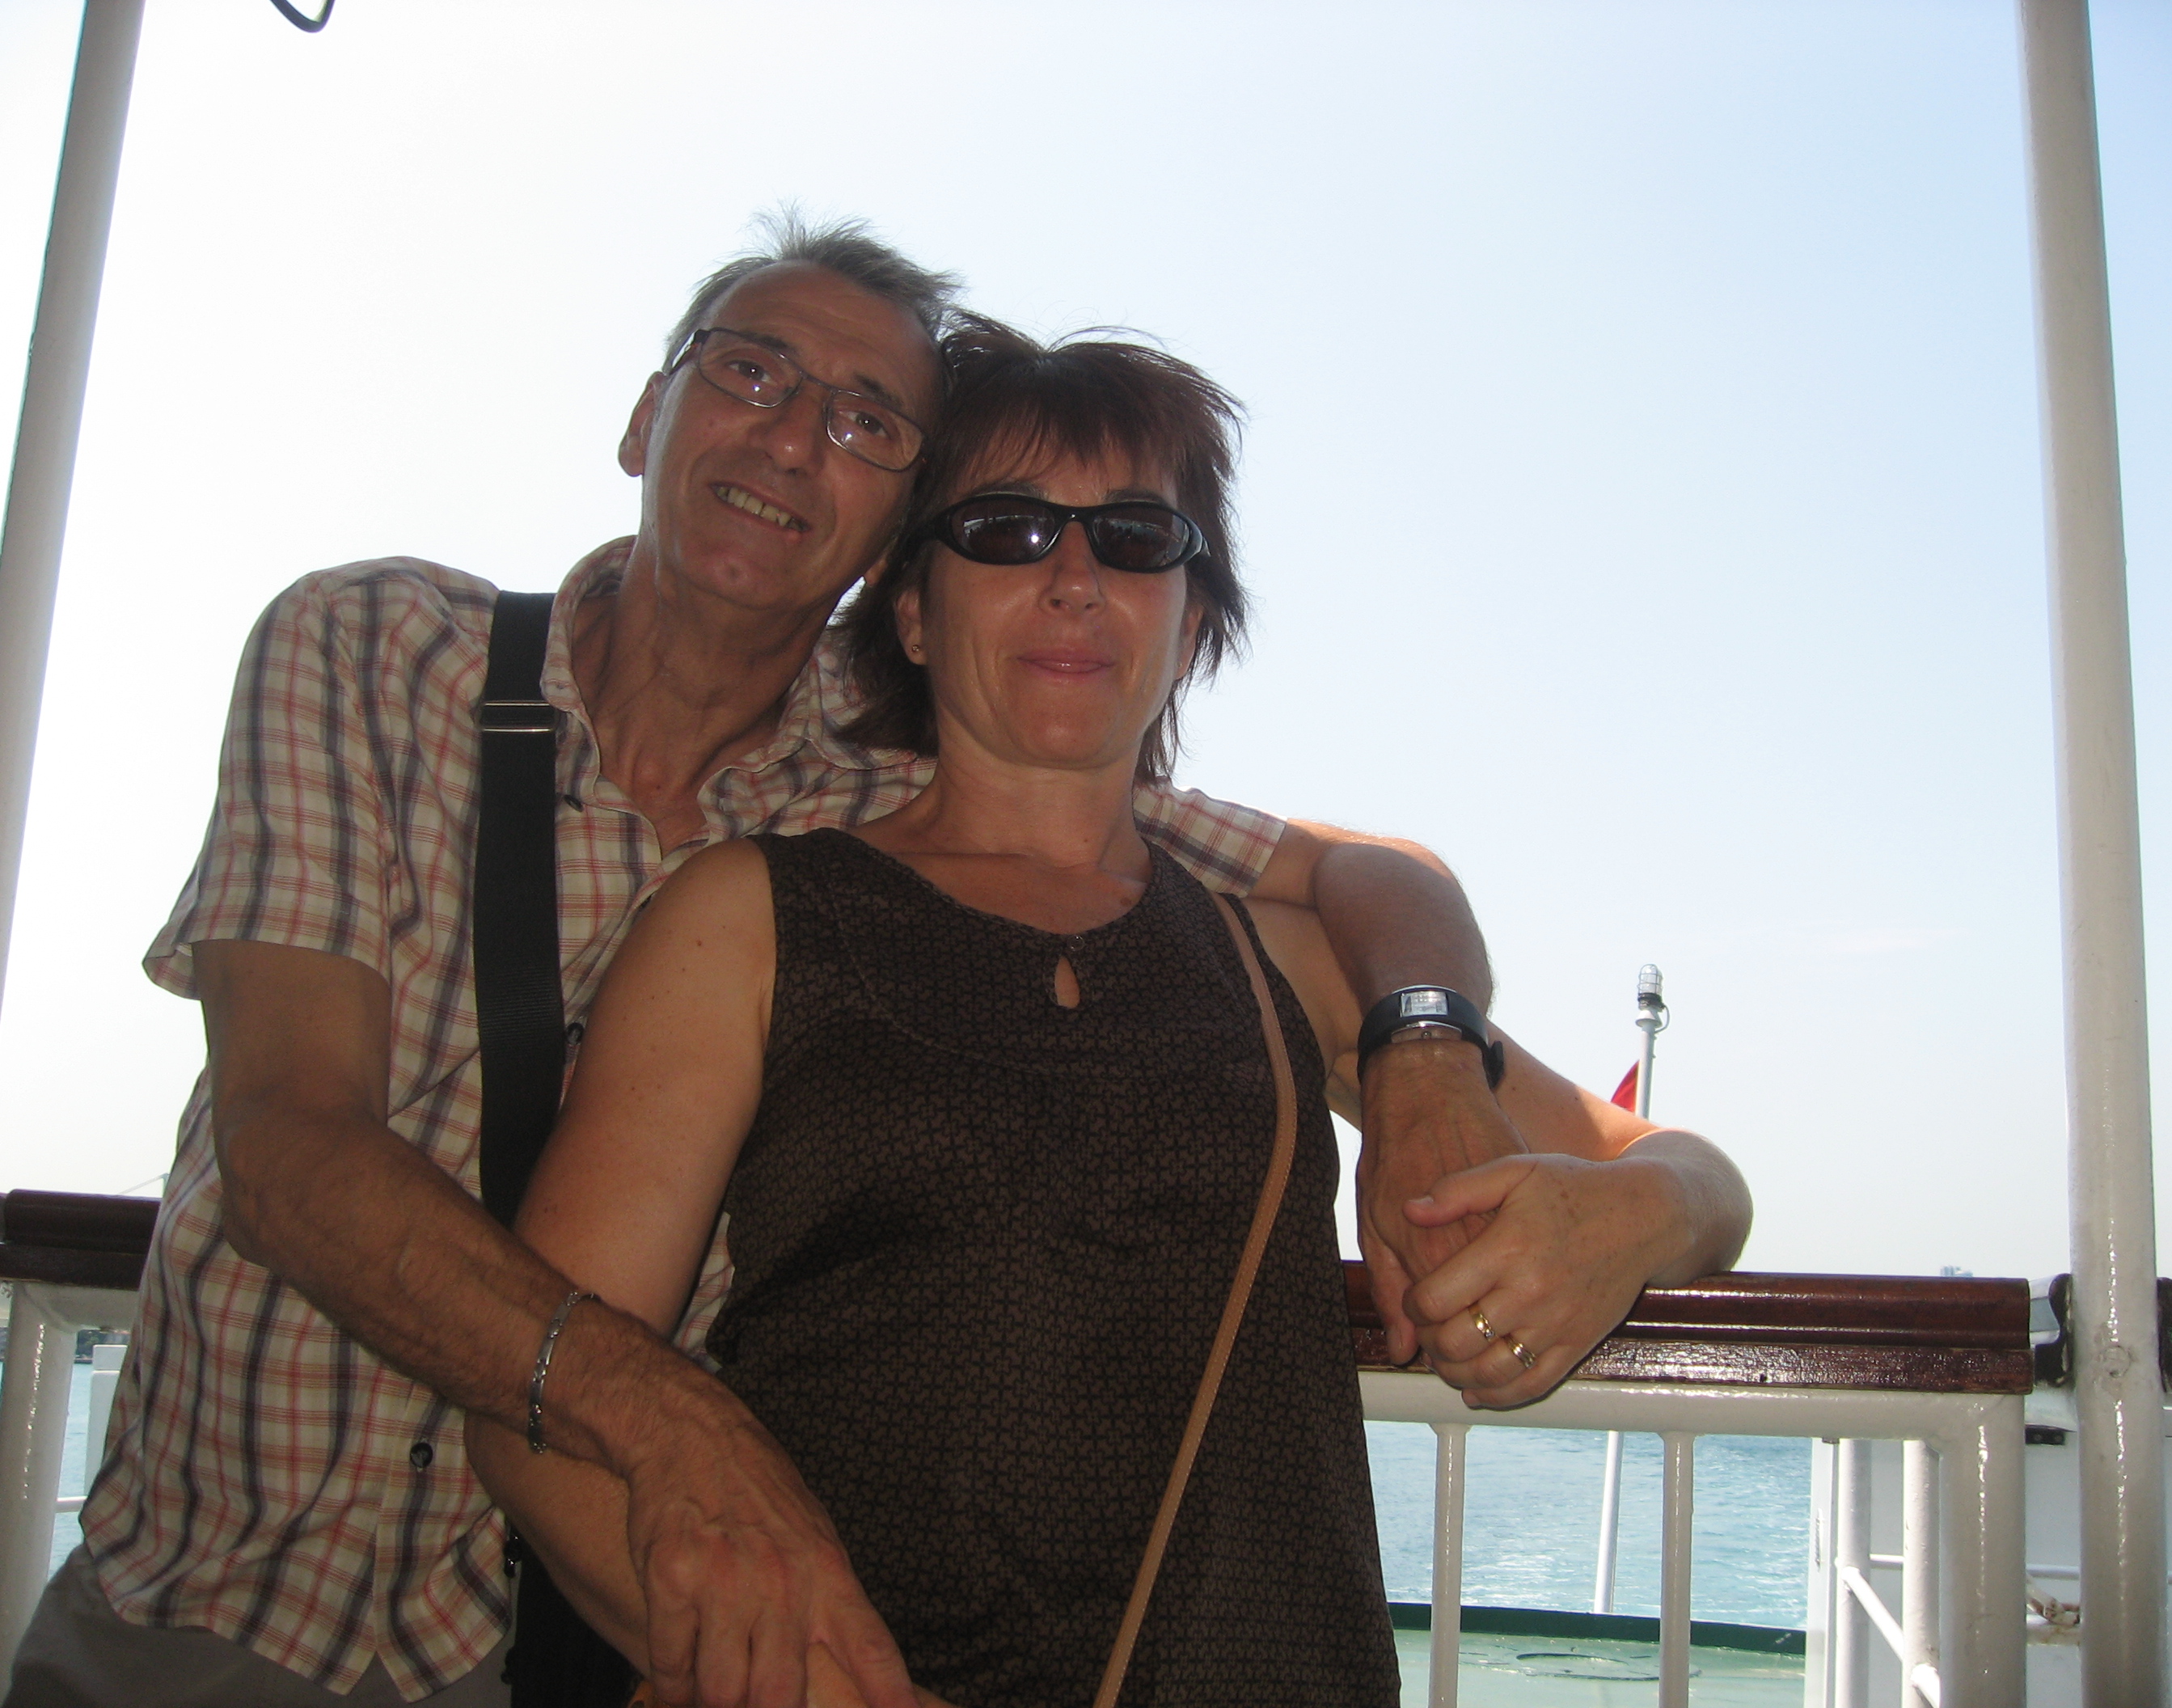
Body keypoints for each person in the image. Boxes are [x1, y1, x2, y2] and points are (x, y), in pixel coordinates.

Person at [2, 218, 1523, 1708]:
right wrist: (669, 1420)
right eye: (749, 372)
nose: (795, 438)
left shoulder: (895, 799)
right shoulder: (375, 650)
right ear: (643, 416)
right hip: (228, 1599)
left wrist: (1427, 1054)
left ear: (888, 553)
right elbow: (286, 1140)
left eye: (868, 424)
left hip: (586, 1635)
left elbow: (1356, 869)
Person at [466, 321, 1752, 1708]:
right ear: (913, 610)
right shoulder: (751, 921)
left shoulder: (1280, 960)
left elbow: (1687, 1174)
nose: (1075, 579)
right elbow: (537, 1408)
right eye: (1006, 530)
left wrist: (1627, 1218)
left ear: (1192, 623)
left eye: (1137, 538)